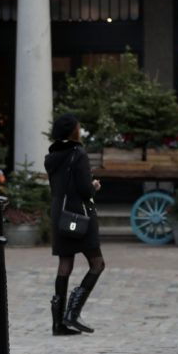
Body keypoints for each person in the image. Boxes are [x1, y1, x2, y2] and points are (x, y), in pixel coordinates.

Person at [44, 113, 103, 336]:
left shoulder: (52, 156)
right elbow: (85, 189)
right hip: (79, 215)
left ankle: (58, 323)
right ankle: (72, 313)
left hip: (60, 214)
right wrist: (94, 185)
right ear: (73, 131)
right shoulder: (78, 154)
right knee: (97, 263)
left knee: (65, 264)